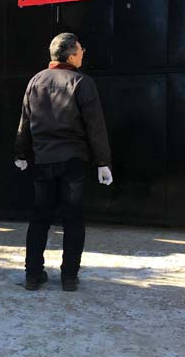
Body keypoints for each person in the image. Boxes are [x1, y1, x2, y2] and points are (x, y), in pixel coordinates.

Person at [14, 32, 113, 292]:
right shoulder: (82, 82)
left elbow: (25, 120)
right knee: (73, 219)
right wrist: (103, 161)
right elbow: (95, 126)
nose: (83, 53)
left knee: (40, 218)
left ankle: (32, 275)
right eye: (80, 49)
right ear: (70, 56)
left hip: (43, 160)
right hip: (73, 161)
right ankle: (69, 277)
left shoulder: (36, 80)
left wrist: (20, 153)